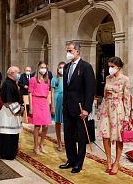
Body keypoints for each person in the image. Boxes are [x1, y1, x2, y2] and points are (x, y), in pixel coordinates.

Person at [59, 41, 95, 174]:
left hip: (80, 108)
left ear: (78, 52)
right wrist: (64, 105)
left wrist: (87, 109)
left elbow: (90, 89)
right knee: (68, 135)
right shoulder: (67, 67)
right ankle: (71, 160)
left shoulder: (86, 67)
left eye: (70, 51)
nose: (68, 53)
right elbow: (66, 89)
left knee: (80, 137)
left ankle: (78, 163)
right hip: (67, 107)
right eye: (67, 51)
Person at [98, 57, 131, 175]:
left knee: (118, 136)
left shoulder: (125, 79)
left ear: (119, 67)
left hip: (118, 109)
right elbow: (105, 95)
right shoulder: (107, 78)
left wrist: (127, 115)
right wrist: (100, 110)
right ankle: (108, 159)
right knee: (105, 135)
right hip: (107, 108)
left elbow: (126, 98)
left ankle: (116, 162)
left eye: (112, 66)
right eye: (109, 66)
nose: (110, 69)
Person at [0, 66, 23, 160]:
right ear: (11, 73)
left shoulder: (11, 83)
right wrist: (19, 109)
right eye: (18, 72)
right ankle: (7, 153)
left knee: (5, 134)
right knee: (8, 133)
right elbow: (9, 101)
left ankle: (1, 151)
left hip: (8, 113)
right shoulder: (8, 84)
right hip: (8, 114)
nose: (19, 74)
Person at [29, 61, 51, 155]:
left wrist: (49, 105)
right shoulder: (33, 79)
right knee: (37, 126)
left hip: (44, 102)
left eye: (45, 67)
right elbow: (30, 93)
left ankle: (42, 144)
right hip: (36, 101)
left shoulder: (47, 80)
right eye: (42, 67)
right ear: (38, 68)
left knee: (46, 125)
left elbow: (48, 93)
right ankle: (36, 146)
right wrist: (30, 107)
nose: (43, 69)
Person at [51, 62, 66, 151]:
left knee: (66, 122)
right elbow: (52, 93)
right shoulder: (54, 79)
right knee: (57, 122)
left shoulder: (68, 78)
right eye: (60, 67)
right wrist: (52, 105)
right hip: (57, 101)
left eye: (63, 67)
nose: (61, 69)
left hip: (66, 100)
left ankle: (66, 141)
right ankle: (59, 142)